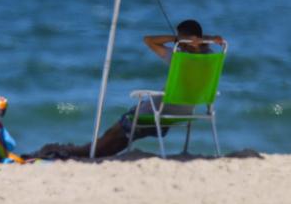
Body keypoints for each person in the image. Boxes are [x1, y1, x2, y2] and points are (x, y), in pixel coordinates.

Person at [31, 19, 224, 159]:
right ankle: (86, 151)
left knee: (116, 132)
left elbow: (148, 40)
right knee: (120, 138)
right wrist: (204, 40)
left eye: (182, 39)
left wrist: (177, 40)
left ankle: (80, 151)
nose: (179, 43)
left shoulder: (178, 57)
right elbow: (153, 40)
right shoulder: (211, 59)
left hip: (158, 111)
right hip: (183, 113)